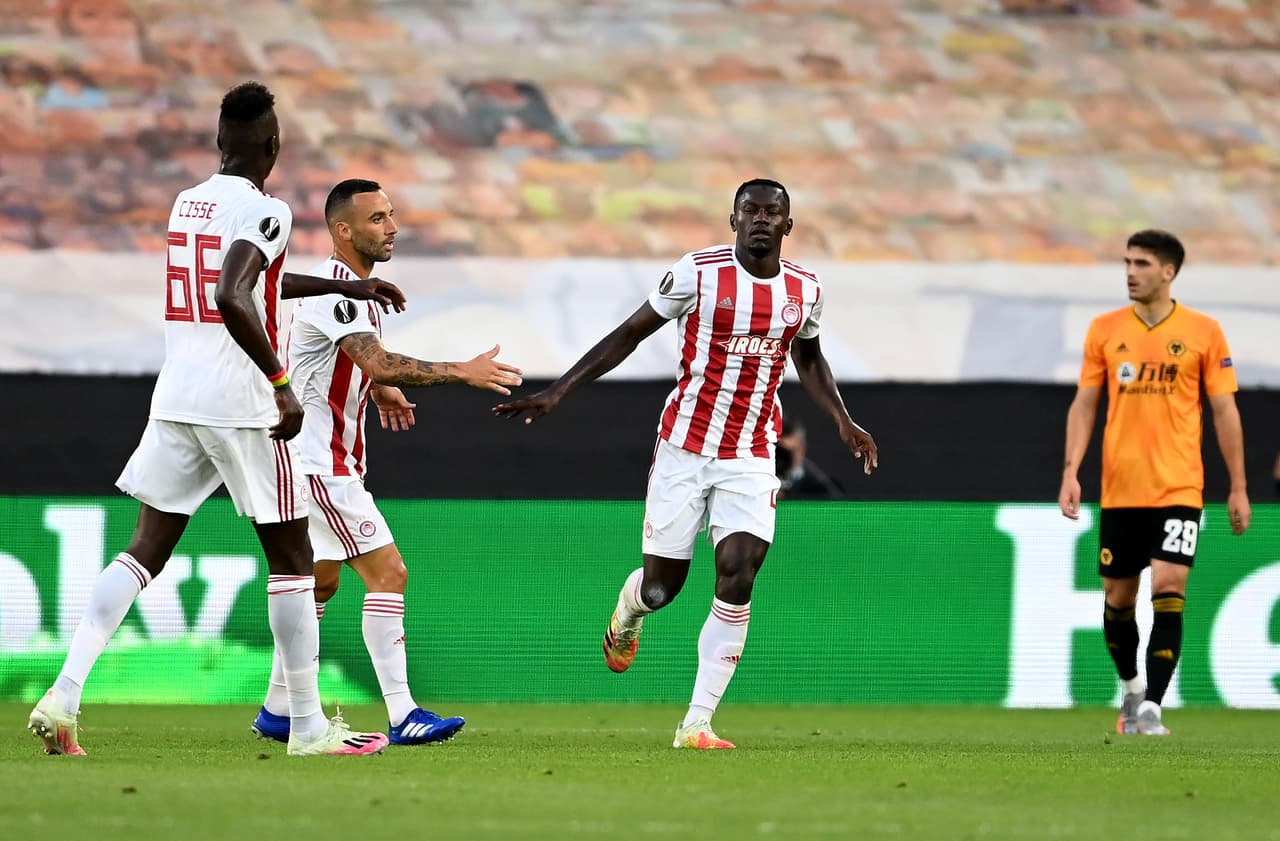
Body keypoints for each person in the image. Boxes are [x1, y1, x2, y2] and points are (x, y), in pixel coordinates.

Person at [27, 81, 406, 757]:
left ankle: (63, 695)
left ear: (219, 142)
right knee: (294, 559)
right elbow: (236, 295)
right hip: (242, 401)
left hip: (176, 394)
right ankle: (307, 727)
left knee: (144, 547)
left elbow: (252, 278)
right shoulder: (270, 210)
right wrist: (281, 382)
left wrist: (345, 285)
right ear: (272, 145)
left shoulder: (187, 203)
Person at [494, 179, 878, 749]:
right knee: (661, 589)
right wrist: (560, 390)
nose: (761, 221)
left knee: (740, 571)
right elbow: (628, 333)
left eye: (773, 214)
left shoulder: (806, 289)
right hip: (683, 449)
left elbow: (809, 355)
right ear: (733, 220)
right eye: (751, 211)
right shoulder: (698, 272)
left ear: (788, 227)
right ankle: (629, 611)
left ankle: (696, 722)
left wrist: (843, 419)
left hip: (750, 452)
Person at [250, 178, 523, 746]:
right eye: (377, 219)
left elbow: (336, 361)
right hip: (320, 465)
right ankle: (403, 714)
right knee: (388, 573)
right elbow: (380, 360)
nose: (392, 227)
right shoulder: (341, 292)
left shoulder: (348, 288)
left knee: (319, 584)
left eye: (391, 215)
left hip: (307, 460)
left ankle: (279, 708)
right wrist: (459, 371)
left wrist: (374, 389)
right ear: (343, 230)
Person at [1058, 228, 1250, 736]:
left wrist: (1238, 486)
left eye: (1141, 263)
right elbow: (1085, 404)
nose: (1130, 272)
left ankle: (1153, 710)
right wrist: (1071, 471)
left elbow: (1225, 410)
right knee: (1118, 601)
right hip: (1121, 489)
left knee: (1169, 588)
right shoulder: (1105, 329)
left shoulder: (1204, 332)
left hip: (1179, 488)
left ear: (1169, 271)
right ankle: (1131, 689)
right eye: (1127, 262)